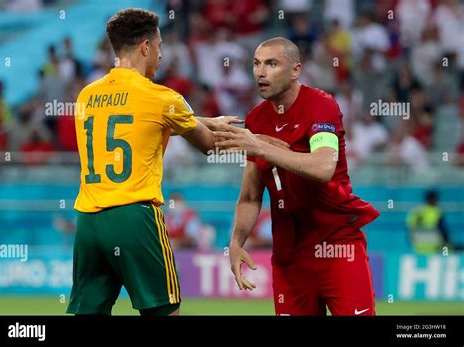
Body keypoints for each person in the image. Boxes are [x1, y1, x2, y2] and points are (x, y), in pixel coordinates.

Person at [67, 9, 243, 317]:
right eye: (160, 47)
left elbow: (137, 121)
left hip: (88, 221)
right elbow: (208, 145)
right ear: (145, 47)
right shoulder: (163, 97)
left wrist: (201, 119)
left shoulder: (86, 95)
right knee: (164, 312)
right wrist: (257, 143)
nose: (161, 55)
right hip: (134, 216)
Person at [214, 37, 380, 316]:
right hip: (289, 258)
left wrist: (259, 146)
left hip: (337, 248)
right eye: (256, 64)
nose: (260, 72)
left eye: (272, 63)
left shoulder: (321, 105)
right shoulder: (255, 119)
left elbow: (323, 166)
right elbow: (251, 196)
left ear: (295, 70)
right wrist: (236, 241)